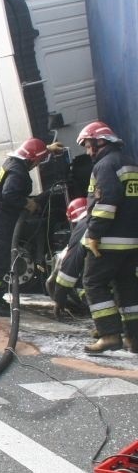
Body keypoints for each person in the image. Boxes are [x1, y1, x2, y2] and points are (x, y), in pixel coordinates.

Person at [76, 121, 138, 354]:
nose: (88, 150)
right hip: (132, 241)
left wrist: (93, 233)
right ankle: (135, 338)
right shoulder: (131, 162)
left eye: (88, 144)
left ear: (99, 141)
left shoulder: (104, 166)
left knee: (93, 283)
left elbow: (106, 203)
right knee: (128, 286)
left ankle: (110, 335)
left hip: (108, 240)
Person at [0, 137, 63, 316]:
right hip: (4, 217)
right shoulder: (17, 172)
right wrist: (28, 203)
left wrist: (47, 149)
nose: (38, 164)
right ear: (31, 159)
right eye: (38, 160)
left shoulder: (14, 161)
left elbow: (32, 152)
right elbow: (10, 194)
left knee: (2, 256)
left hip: (2, 214)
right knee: (1, 257)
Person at [50, 197, 89, 318]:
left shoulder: (83, 226)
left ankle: (107, 329)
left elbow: (69, 268)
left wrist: (59, 299)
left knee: (92, 286)